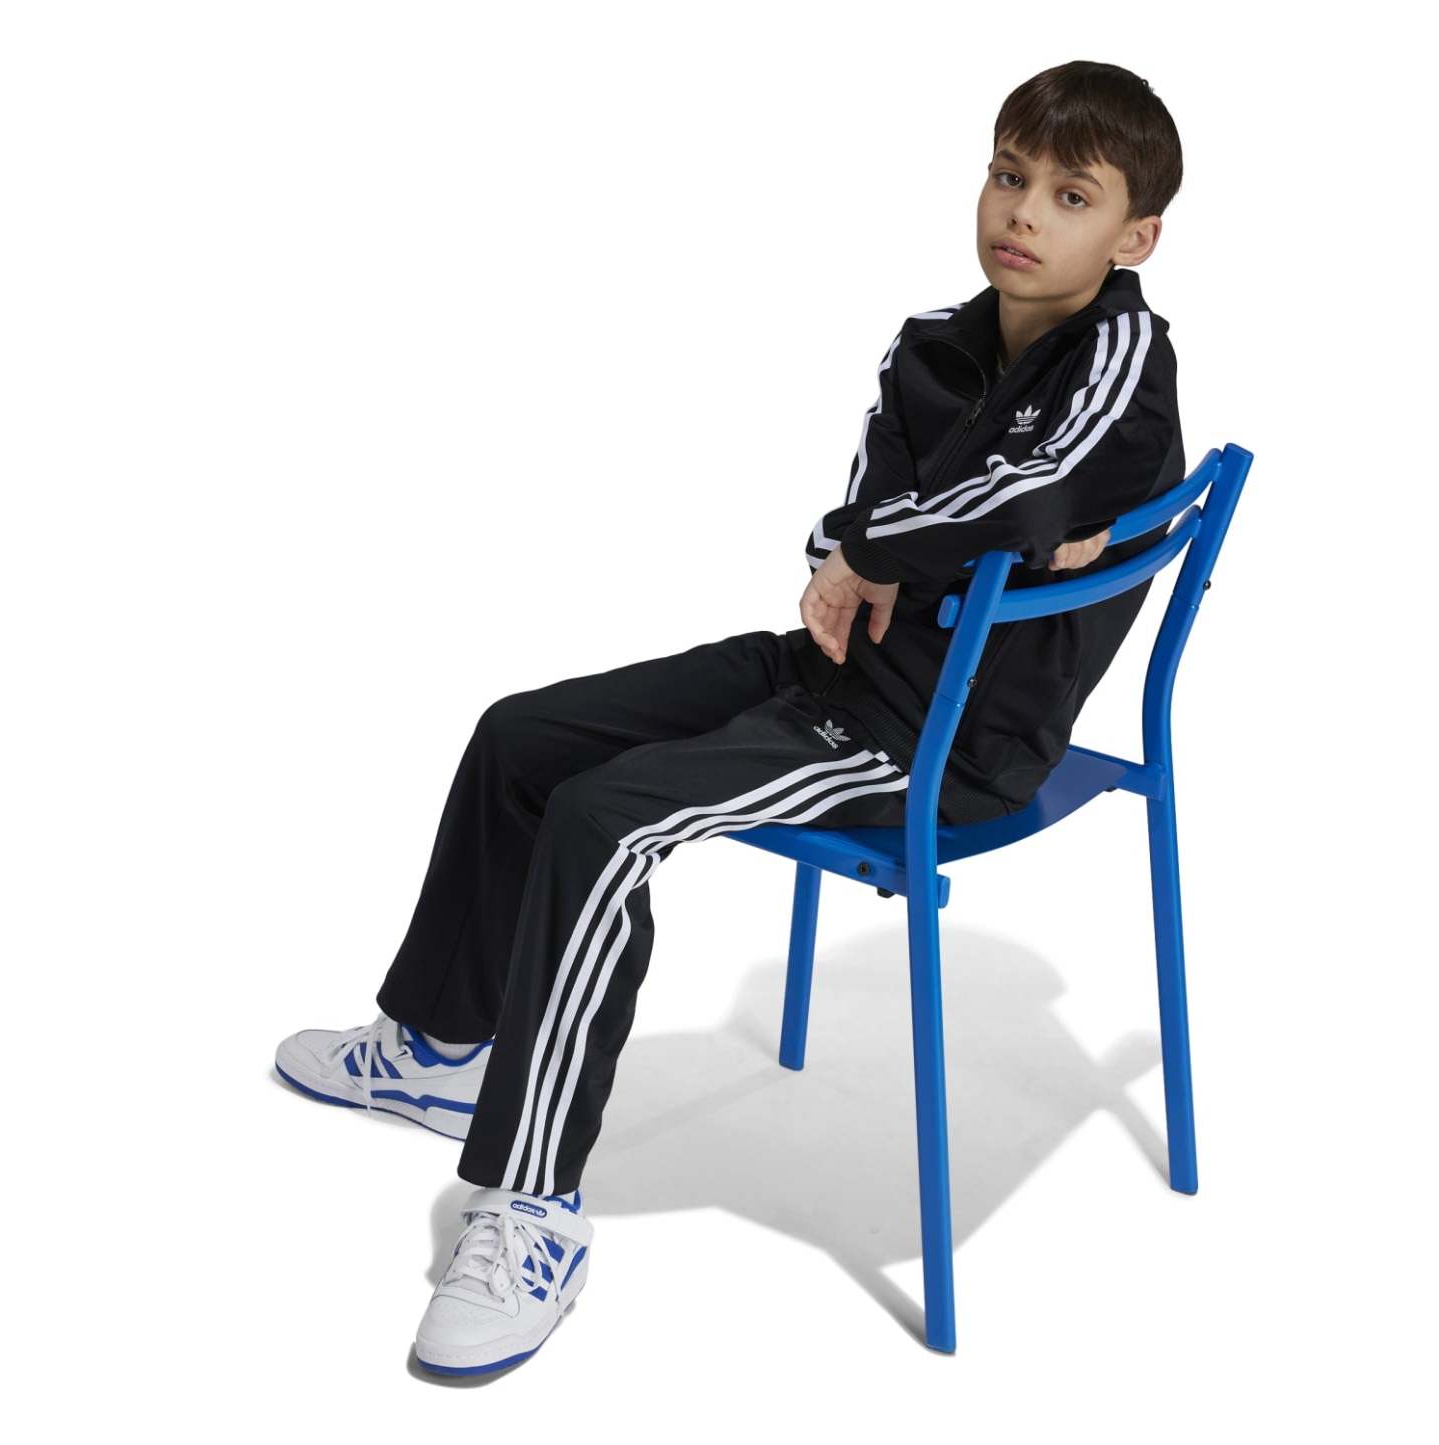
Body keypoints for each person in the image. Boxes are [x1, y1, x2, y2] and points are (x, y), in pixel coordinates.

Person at [274, 59, 1186, 1377]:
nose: (1023, 212)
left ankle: (532, 1204)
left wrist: (919, 539)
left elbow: (1024, 495)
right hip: (844, 668)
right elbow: (866, 509)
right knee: (521, 737)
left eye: (1069, 195)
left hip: (941, 745)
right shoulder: (932, 343)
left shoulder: (1123, 356)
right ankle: (442, 1044)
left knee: (603, 819)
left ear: (1132, 238)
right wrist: (869, 552)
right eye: (1007, 174)